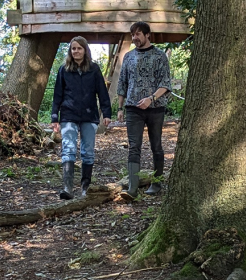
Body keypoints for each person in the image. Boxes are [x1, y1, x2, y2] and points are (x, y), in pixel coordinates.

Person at [116, 21, 172, 200]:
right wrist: (119, 107)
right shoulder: (129, 57)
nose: (135, 38)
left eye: (138, 34)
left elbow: (165, 83)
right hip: (133, 109)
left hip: (155, 108)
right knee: (134, 147)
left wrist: (151, 99)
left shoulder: (160, 56)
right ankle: (132, 188)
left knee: (156, 146)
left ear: (148, 35)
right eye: (133, 34)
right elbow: (122, 83)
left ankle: (156, 183)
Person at [51, 36, 112, 200]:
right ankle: (67, 187)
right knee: (68, 149)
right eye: (73, 48)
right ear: (70, 51)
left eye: (79, 48)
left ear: (85, 50)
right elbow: (57, 94)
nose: (76, 51)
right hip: (69, 114)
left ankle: (85, 187)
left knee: (88, 152)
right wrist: (54, 117)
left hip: (89, 114)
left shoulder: (94, 69)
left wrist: (106, 113)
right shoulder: (64, 69)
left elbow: (102, 93)